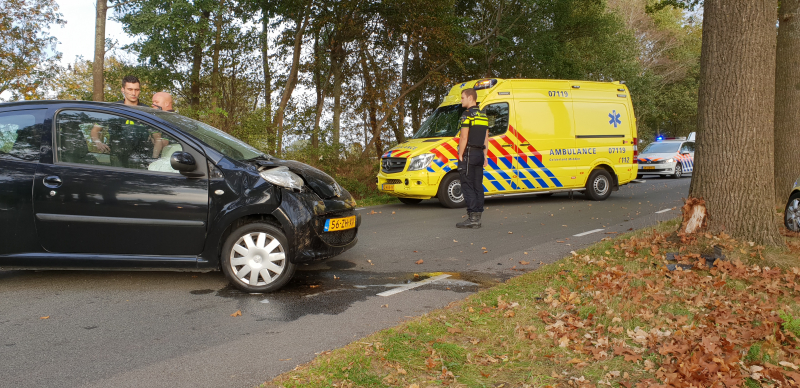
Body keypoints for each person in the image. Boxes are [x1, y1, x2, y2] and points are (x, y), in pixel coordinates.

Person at [455, 87, 489, 229]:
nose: (461, 100)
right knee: (477, 185)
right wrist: (485, 156)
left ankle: (472, 218)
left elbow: (463, 137)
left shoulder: (467, 114)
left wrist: (460, 155)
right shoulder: (483, 115)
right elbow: (486, 138)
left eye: (462, 97)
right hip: (480, 154)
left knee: (467, 185)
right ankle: (477, 217)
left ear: (470, 98)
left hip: (469, 154)